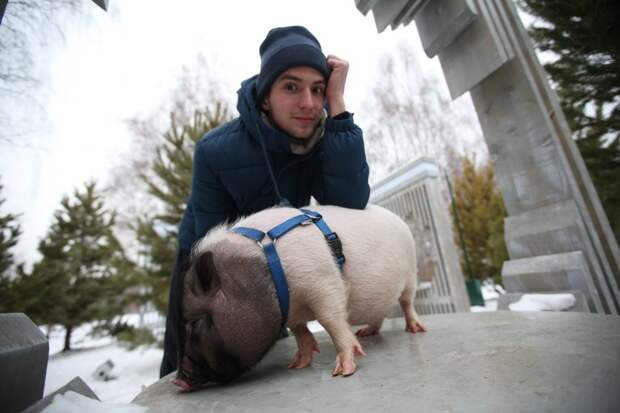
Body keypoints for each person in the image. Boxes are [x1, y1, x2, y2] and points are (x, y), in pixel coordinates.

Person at [160, 25, 370, 378]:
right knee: (190, 362)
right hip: (206, 261)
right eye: (291, 87)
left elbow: (350, 203)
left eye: (317, 90)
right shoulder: (216, 150)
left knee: (269, 366)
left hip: (274, 260)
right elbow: (208, 246)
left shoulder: (322, 141)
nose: (308, 103)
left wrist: (338, 109)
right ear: (264, 97)